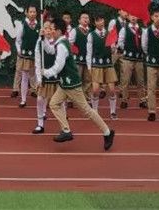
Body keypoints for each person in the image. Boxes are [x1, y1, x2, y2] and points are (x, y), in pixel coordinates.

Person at [44, 18, 115, 150]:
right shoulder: (60, 42)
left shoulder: (61, 45)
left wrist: (46, 72)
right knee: (54, 103)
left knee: (87, 111)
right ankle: (66, 130)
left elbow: (58, 66)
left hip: (71, 85)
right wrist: (43, 39)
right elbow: (49, 50)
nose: (51, 31)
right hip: (64, 84)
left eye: (53, 29)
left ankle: (107, 132)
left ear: (59, 30)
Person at [33, 20, 61, 134]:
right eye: (45, 28)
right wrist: (39, 78)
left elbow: (51, 50)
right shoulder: (39, 42)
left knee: (60, 102)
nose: (48, 30)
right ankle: (40, 124)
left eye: (50, 28)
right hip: (44, 75)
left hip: (56, 75)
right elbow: (38, 60)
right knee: (40, 99)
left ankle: (63, 125)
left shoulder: (58, 42)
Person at [87, 14, 118, 119]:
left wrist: (114, 48)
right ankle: (95, 111)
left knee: (112, 89)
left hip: (108, 64)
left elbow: (113, 49)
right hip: (96, 64)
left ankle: (113, 112)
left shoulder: (109, 33)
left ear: (104, 21)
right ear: (94, 23)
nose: (100, 22)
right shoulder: (91, 35)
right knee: (95, 90)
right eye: (98, 20)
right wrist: (89, 67)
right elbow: (89, 52)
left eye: (101, 20)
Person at [13, 5, 40, 108]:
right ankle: (23, 100)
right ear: (26, 13)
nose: (33, 13)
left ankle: (39, 97)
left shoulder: (39, 26)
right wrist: (19, 51)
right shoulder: (22, 25)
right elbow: (18, 41)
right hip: (25, 55)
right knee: (24, 77)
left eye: (34, 12)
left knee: (37, 76)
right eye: (31, 12)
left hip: (36, 55)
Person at [117, 14, 146, 109]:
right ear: (128, 17)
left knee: (140, 81)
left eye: (135, 15)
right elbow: (120, 42)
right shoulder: (124, 29)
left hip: (139, 59)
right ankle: (124, 100)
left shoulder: (142, 30)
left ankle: (142, 100)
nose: (133, 17)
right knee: (125, 80)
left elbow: (144, 44)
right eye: (131, 15)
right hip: (127, 59)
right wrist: (126, 50)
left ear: (137, 17)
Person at [69, 12, 93, 100]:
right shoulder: (75, 30)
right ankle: (72, 98)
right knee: (76, 78)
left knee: (88, 79)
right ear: (79, 20)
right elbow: (70, 43)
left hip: (88, 60)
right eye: (83, 17)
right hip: (77, 59)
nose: (85, 19)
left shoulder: (91, 32)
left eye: (87, 18)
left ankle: (86, 97)